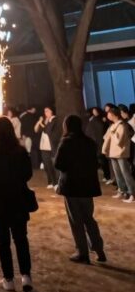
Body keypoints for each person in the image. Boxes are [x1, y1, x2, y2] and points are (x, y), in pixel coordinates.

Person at [0, 116, 34, 292]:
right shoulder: (20, 150)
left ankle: (8, 279)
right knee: (21, 239)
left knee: (2, 241)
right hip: (18, 198)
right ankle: (26, 276)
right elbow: (28, 174)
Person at [53, 115, 105, 264]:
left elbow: (58, 164)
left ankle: (82, 252)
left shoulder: (66, 142)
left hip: (72, 186)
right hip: (87, 186)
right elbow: (96, 163)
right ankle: (98, 248)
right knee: (89, 218)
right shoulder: (89, 142)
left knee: (76, 220)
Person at [102, 105, 135, 203]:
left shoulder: (122, 125)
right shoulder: (112, 126)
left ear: (114, 115)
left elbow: (119, 141)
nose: (107, 115)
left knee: (125, 173)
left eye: (109, 114)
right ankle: (122, 191)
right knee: (118, 174)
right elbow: (106, 137)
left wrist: (113, 133)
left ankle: (132, 193)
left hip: (121, 153)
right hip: (113, 152)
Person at [35, 106, 61, 188]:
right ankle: (50, 182)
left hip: (51, 146)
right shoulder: (46, 121)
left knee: (53, 165)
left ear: (52, 111)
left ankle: (56, 182)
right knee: (47, 165)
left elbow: (47, 130)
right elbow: (36, 130)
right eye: (45, 111)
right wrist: (39, 122)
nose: (46, 113)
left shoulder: (54, 120)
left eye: (47, 111)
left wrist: (43, 123)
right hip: (44, 146)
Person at [84, 107, 110, 184]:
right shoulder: (93, 120)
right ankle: (106, 176)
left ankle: (108, 176)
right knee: (101, 160)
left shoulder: (101, 120)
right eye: (93, 111)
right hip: (97, 142)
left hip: (100, 142)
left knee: (104, 160)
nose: (94, 112)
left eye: (95, 111)